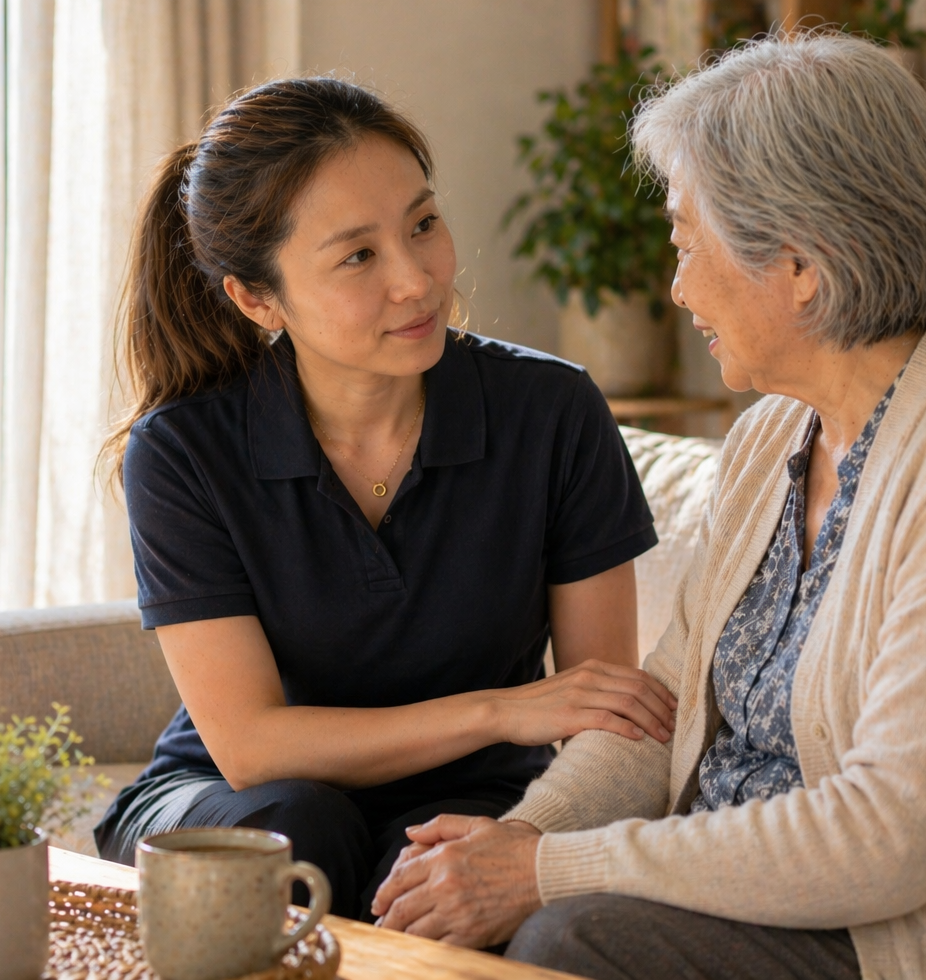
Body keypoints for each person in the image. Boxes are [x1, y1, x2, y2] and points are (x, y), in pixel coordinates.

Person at [371, 34, 926, 980]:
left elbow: (891, 836)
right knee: (447, 906)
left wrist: (548, 873)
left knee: (567, 935)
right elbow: (659, 719)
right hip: (784, 916)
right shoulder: (774, 438)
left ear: (801, 264)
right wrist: (501, 851)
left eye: (687, 240)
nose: (676, 287)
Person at [92, 78, 679, 922]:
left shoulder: (552, 412)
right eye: (359, 256)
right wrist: (499, 710)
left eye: (423, 225)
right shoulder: (182, 451)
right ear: (257, 299)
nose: (417, 280)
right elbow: (252, 749)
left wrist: (531, 837)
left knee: (434, 866)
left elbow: (599, 709)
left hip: (467, 794)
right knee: (297, 828)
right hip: (230, 799)